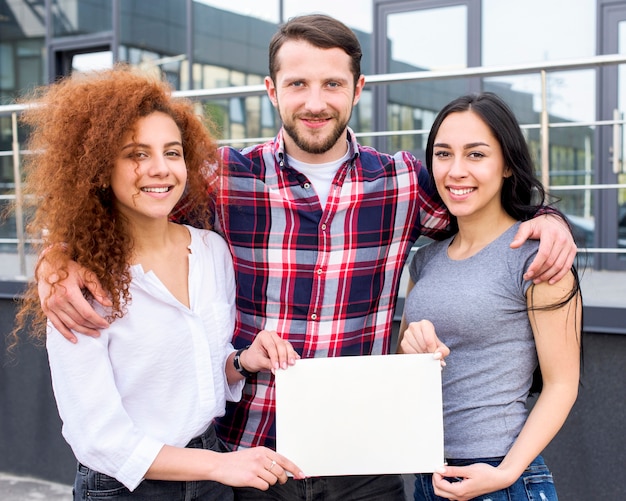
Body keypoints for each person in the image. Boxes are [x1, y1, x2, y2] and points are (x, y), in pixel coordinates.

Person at [35, 15, 577, 501]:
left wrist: (550, 220)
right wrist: (59, 255)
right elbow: (129, 207)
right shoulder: (222, 178)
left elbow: (484, 208)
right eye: (297, 83)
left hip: (366, 460)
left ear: (358, 89)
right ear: (272, 90)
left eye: (332, 84)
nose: (315, 102)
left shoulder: (405, 182)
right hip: (250, 460)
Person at [11, 66, 304, 500]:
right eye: (136, 154)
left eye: (172, 152)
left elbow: (198, 376)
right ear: (99, 167)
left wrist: (243, 362)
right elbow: (100, 440)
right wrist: (222, 465)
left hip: (212, 478)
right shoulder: (77, 283)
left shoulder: (210, 252)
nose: (160, 169)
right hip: (129, 489)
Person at [397, 92, 582, 501]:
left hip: (501, 478)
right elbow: (408, 373)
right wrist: (410, 349)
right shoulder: (425, 260)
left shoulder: (539, 257)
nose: (456, 170)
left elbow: (562, 384)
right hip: (430, 478)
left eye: (476, 155)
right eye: (443, 154)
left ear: (507, 166)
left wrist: (506, 472)